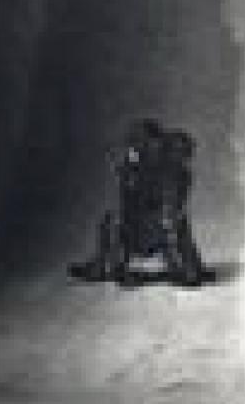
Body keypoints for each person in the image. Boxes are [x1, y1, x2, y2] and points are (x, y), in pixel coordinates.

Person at [70, 119, 214, 285]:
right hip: (139, 225)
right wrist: (128, 173)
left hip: (157, 226)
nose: (133, 150)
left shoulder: (171, 168)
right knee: (112, 221)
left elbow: (171, 204)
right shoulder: (138, 166)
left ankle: (186, 268)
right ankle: (107, 267)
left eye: (138, 144)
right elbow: (128, 200)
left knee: (172, 225)